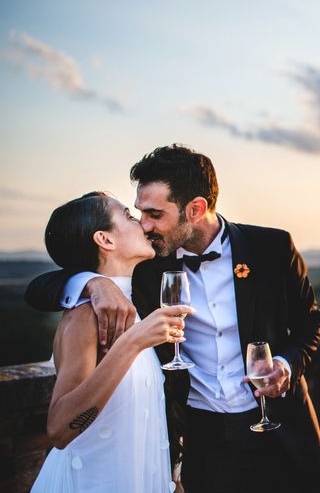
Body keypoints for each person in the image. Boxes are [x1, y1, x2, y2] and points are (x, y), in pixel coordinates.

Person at [26, 145, 320, 493]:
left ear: (196, 209)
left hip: (280, 430)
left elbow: (311, 326)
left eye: (155, 214)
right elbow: (43, 285)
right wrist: (92, 283)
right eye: (138, 213)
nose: (145, 224)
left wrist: (284, 365)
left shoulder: (272, 247)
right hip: (204, 441)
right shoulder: (148, 262)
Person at [31, 192, 194, 493]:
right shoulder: (87, 316)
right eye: (130, 217)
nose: (144, 225)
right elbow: (60, 429)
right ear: (105, 240)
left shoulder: (130, 306)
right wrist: (132, 343)